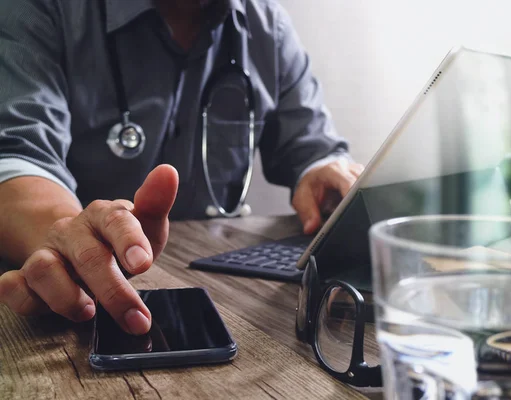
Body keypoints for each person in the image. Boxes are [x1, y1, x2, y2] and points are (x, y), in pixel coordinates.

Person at [0, 0, 363, 335]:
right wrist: (75, 243)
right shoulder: (38, 9)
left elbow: (313, 146)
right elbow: (18, 155)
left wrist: (323, 170)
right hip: (67, 311)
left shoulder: (268, 25)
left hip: (221, 295)